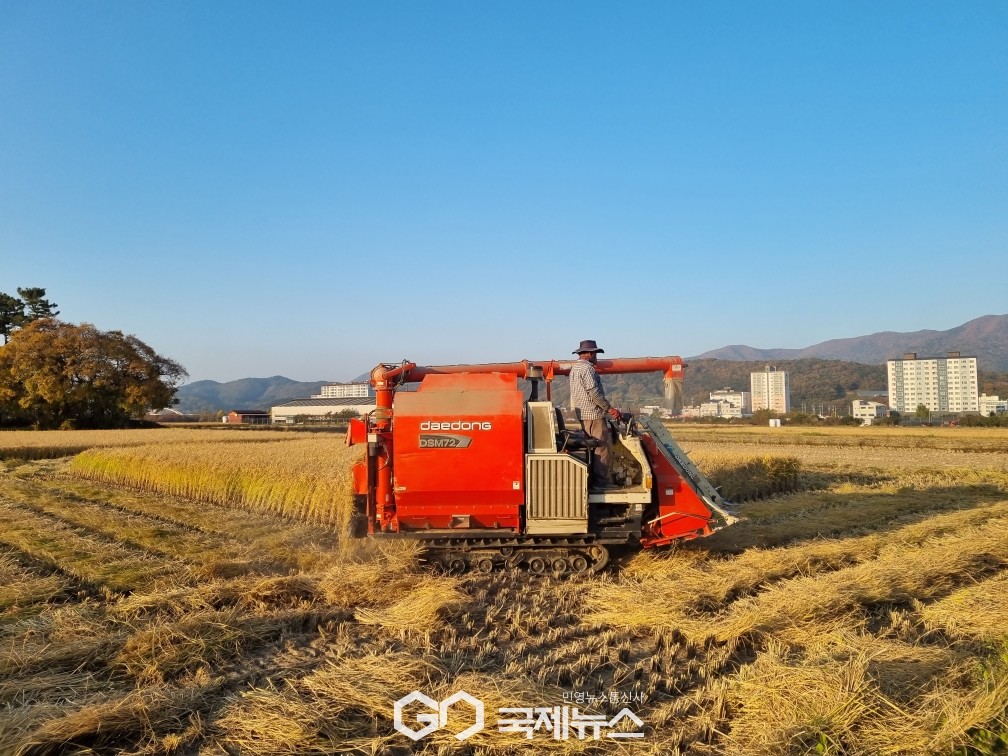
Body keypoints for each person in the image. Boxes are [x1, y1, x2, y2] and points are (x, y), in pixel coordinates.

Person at [568, 339, 621, 487]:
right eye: (596, 354)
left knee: (593, 446)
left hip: (583, 414)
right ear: (591, 354)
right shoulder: (588, 369)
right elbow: (594, 393)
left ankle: (595, 479)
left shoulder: (575, 369)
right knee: (602, 446)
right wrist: (610, 409)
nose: (596, 357)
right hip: (593, 414)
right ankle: (602, 482)